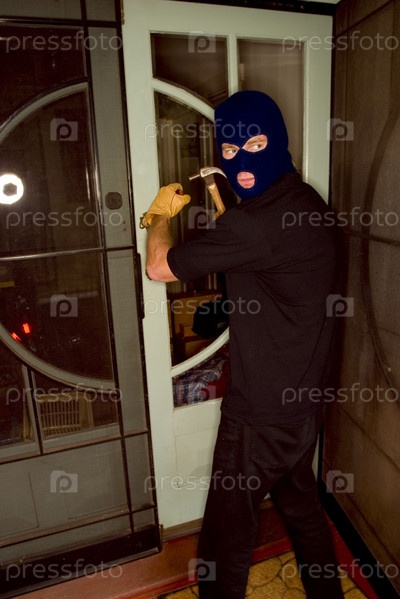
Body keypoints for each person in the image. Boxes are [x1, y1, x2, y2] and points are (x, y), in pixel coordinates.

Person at [144, 90, 344, 599]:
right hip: (305, 404)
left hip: (259, 415)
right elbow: (266, 256)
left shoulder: (253, 224)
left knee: (224, 540)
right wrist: (233, 213)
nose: (241, 161)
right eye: (230, 151)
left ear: (276, 140)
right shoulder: (308, 202)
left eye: (254, 144)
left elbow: (159, 267)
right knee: (302, 510)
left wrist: (158, 217)